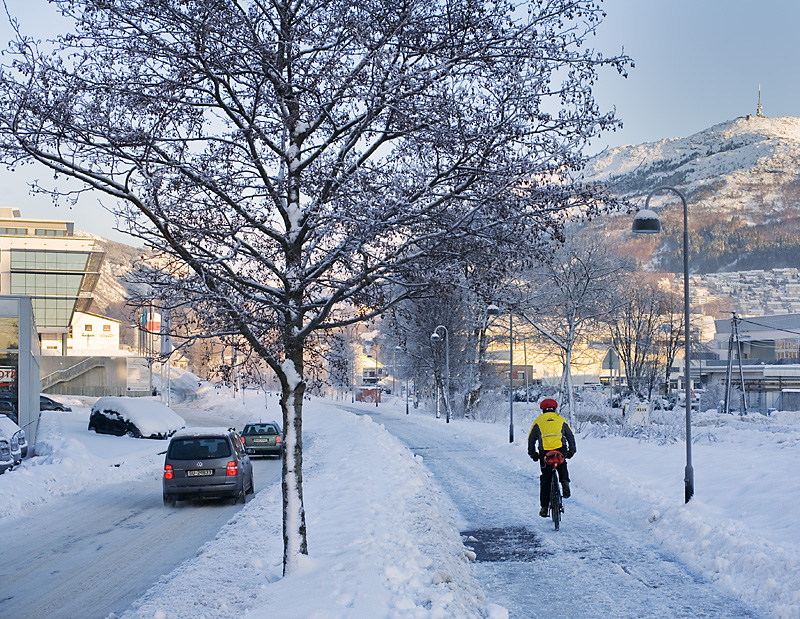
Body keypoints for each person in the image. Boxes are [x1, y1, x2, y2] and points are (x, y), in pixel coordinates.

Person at [528, 398, 576, 518]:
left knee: (546, 478)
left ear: (543, 410)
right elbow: (570, 435)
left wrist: (533, 454)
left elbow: (531, 439)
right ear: (555, 408)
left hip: (545, 452)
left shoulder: (539, 421)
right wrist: (571, 450)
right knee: (562, 464)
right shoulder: (560, 419)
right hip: (560, 449)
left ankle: (544, 507)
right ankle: (565, 483)